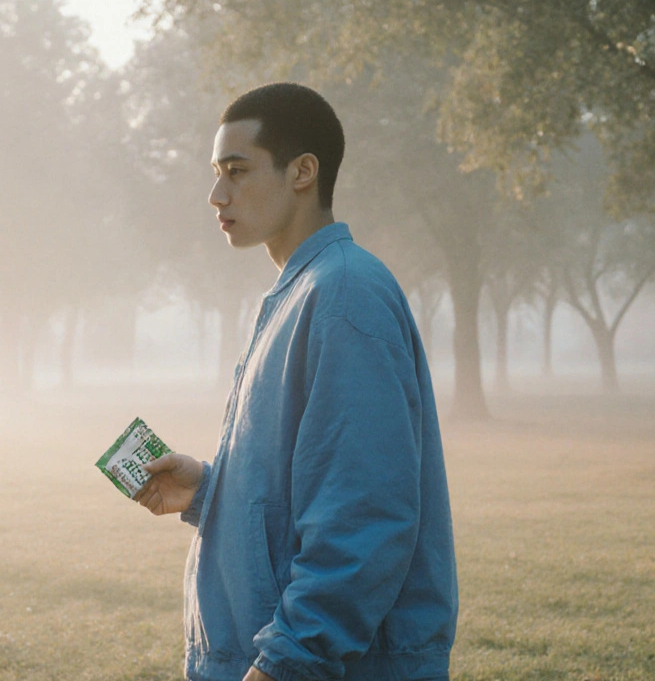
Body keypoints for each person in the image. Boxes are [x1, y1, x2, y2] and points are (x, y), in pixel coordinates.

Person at [133, 82, 457, 681]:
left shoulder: (343, 294)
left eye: (237, 171)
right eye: (215, 172)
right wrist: (208, 490)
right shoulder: (301, 291)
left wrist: (290, 661)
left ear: (303, 171)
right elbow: (306, 488)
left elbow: (366, 514)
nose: (215, 194)